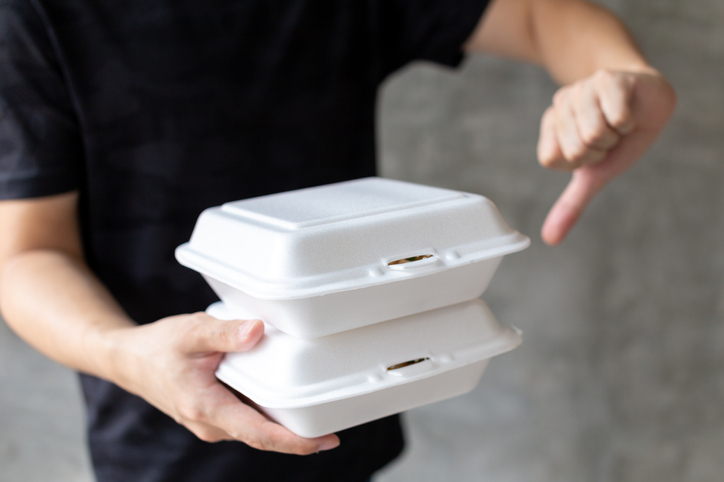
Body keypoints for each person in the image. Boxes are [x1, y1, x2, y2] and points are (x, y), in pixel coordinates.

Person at [0, 0, 675, 481]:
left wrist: (619, 74)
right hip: (162, 439)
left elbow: (535, 13)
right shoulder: (36, 15)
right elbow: (26, 253)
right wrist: (123, 355)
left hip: (359, 401)